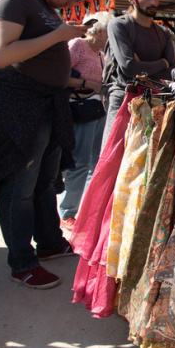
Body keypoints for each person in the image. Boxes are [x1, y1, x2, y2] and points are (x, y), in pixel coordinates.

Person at [0, 0, 95, 290]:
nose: (70, 4)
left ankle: (49, 241)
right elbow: (1, 55)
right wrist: (59, 35)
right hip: (22, 107)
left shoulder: (43, 5)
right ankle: (22, 261)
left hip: (48, 103)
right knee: (20, 186)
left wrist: (74, 82)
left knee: (45, 182)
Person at [102, 0, 175, 146]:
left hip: (154, 101)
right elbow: (128, 67)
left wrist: (144, 67)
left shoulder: (163, 33)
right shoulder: (118, 25)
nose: (153, 2)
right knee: (113, 158)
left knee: (146, 160)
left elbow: (171, 71)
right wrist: (161, 63)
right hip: (124, 98)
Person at [58, 12, 110, 231]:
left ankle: (87, 211)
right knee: (80, 163)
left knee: (96, 162)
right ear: (98, 30)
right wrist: (87, 83)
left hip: (96, 109)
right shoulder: (77, 45)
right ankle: (67, 212)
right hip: (80, 109)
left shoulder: (99, 52)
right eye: (109, 31)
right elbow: (59, 76)